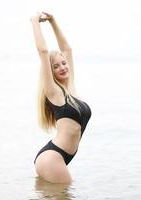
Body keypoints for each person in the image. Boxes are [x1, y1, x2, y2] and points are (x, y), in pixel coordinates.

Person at [30, 12, 92, 183]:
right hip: (52, 157)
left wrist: (53, 21)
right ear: (51, 72)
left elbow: (67, 49)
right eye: (56, 66)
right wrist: (34, 21)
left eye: (64, 63)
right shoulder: (54, 91)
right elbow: (43, 51)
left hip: (60, 158)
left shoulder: (70, 88)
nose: (63, 67)